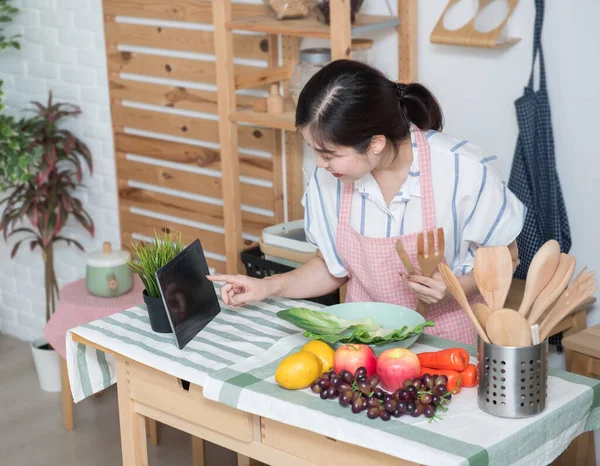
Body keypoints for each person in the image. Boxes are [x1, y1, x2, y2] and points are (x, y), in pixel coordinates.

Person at [208, 60, 524, 345]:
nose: (319, 164)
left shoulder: (463, 170)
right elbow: (332, 269)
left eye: (329, 153)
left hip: (451, 345)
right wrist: (267, 287)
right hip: (363, 342)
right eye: (315, 150)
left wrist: (458, 285)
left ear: (375, 144)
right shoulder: (330, 179)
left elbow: (507, 257)